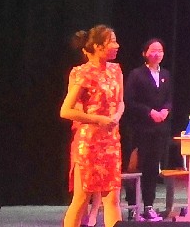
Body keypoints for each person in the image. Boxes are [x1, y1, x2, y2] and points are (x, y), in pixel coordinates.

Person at [60, 24, 126, 227]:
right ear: (97, 46)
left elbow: (120, 102)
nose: (117, 45)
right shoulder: (83, 73)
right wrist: (98, 119)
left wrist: (116, 116)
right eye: (111, 41)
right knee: (81, 199)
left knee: (112, 199)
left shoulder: (116, 70)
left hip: (111, 141)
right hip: (89, 143)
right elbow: (66, 110)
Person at [123, 39, 176, 219]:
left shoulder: (166, 74)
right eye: (153, 50)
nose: (156, 54)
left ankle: (148, 206)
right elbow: (130, 101)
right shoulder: (136, 74)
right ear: (144, 53)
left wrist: (165, 110)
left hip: (159, 131)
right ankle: (132, 207)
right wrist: (149, 112)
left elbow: (169, 98)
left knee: (152, 169)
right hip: (140, 130)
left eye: (160, 50)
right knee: (135, 168)